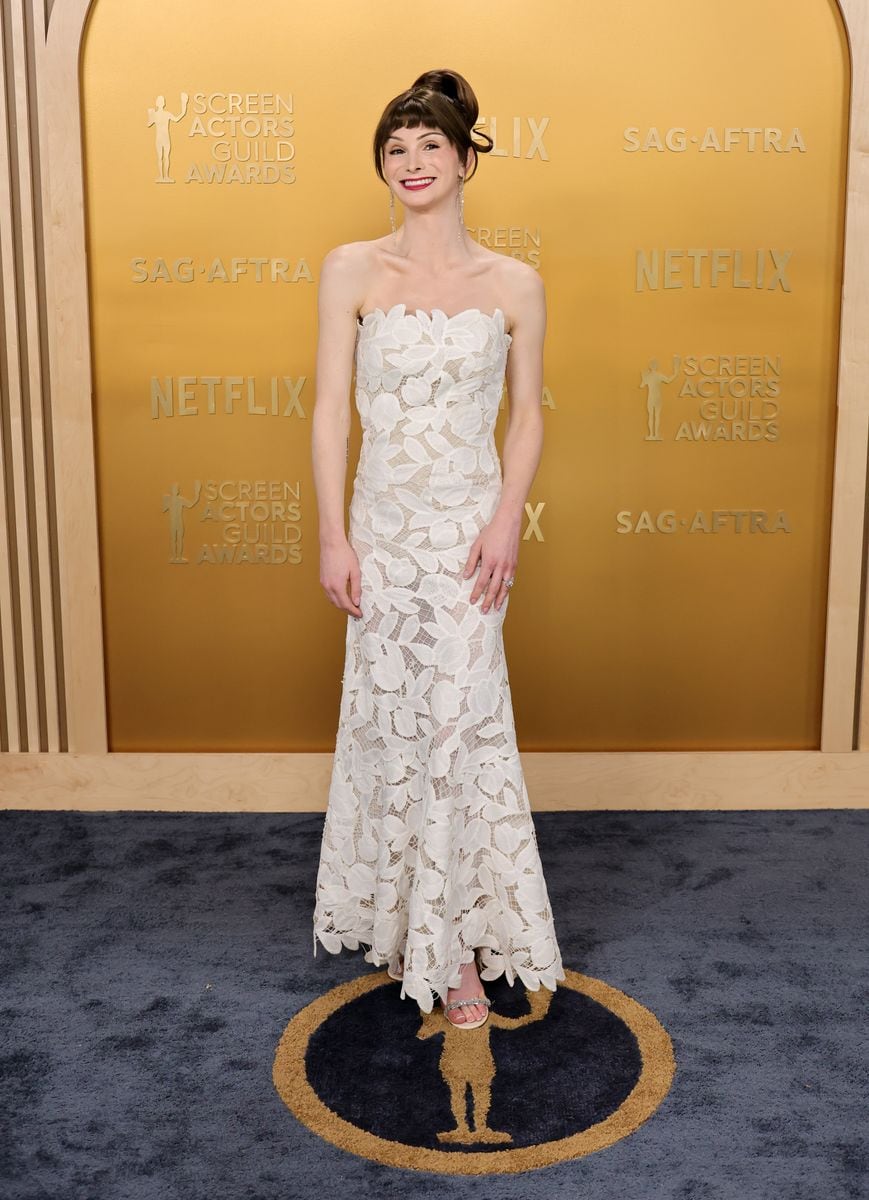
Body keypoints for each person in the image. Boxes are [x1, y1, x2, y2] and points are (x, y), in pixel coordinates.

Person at [311, 68, 565, 1029]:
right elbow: (331, 411)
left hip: (466, 540)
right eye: (394, 148)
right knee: (396, 726)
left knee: (460, 729)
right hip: (380, 533)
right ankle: (421, 935)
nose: (410, 163)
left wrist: (504, 520)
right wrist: (334, 534)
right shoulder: (350, 268)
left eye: (428, 147)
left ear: (465, 161)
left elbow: (528, 418)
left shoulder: (516, 284)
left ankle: (456, 940)